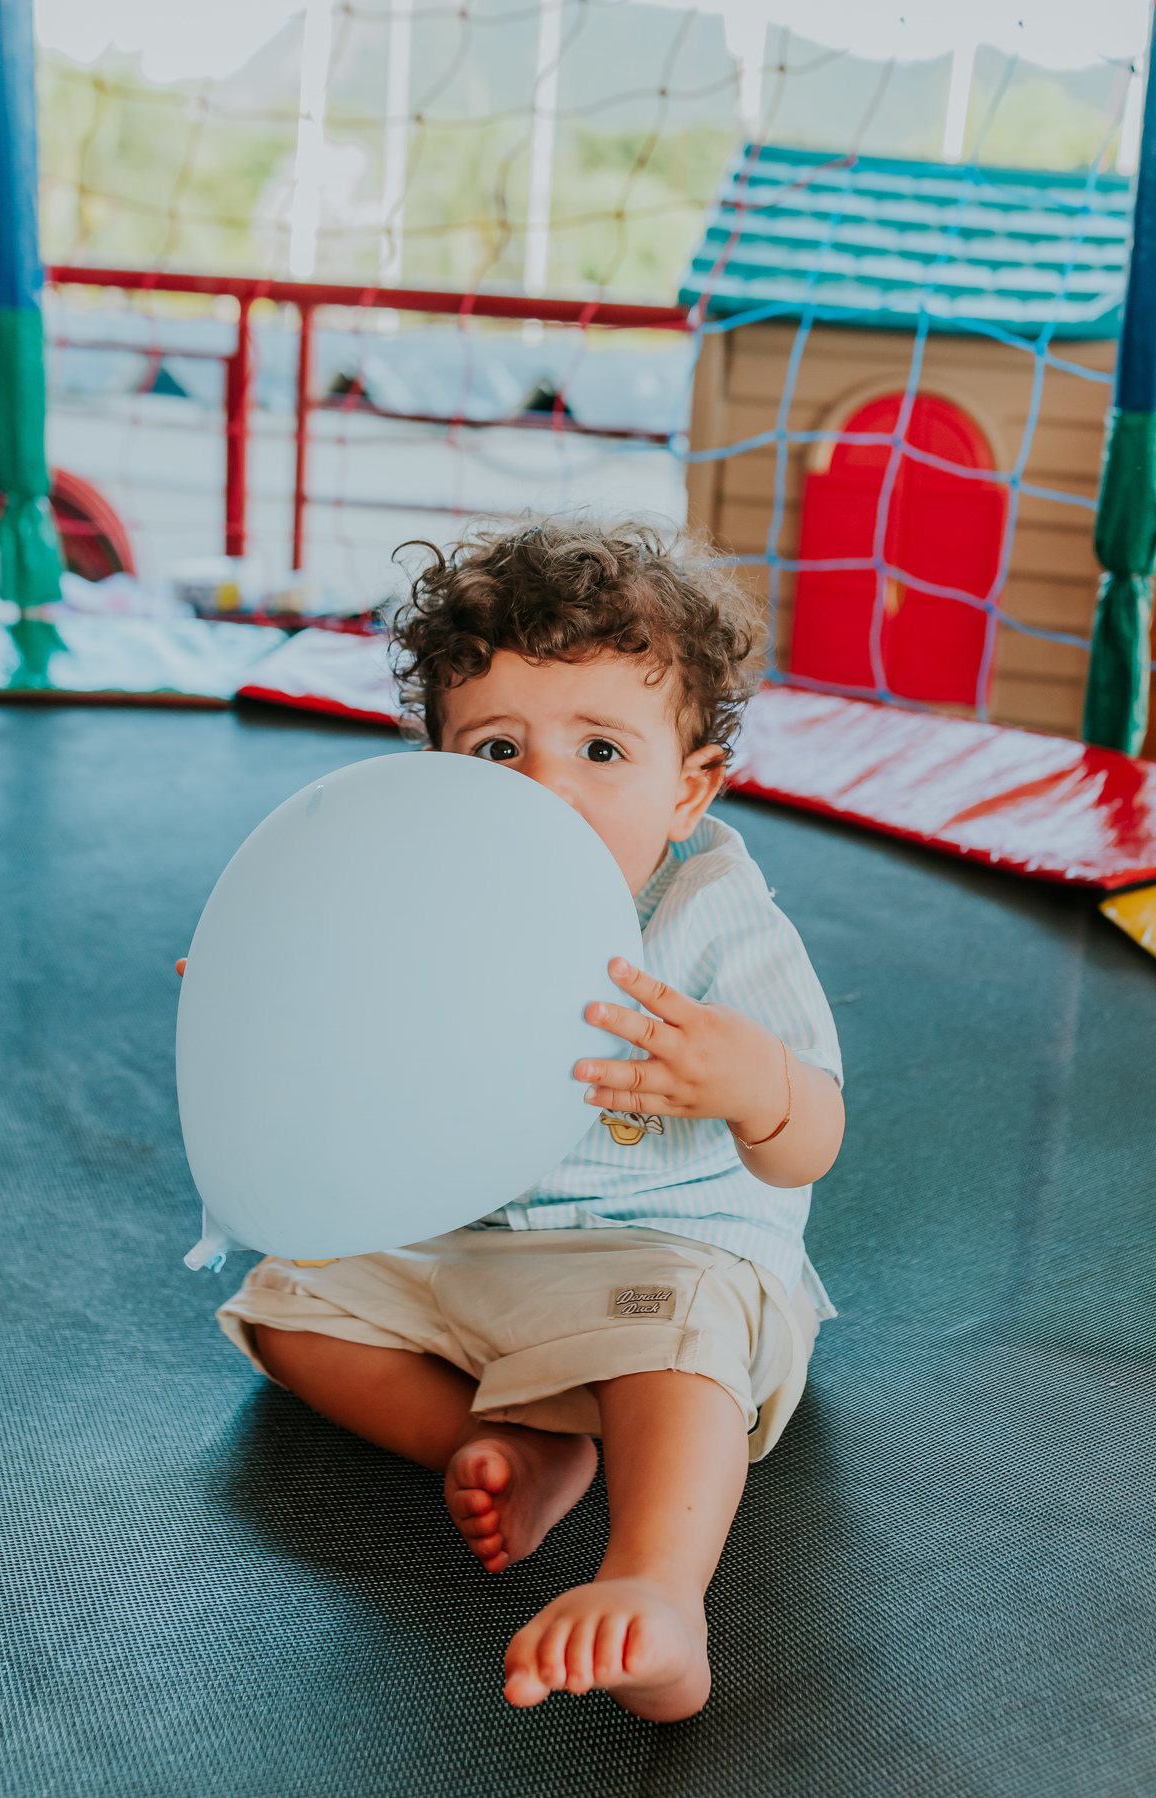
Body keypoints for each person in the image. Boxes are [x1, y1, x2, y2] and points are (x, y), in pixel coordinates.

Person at [209, 519, 845, 1722]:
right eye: (498, 748)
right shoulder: (436, 894)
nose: (546, 785)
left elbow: (812, 1137)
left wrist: (754, 1082)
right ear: (439, 768)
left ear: (688, 787)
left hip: (667, 1258)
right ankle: (502, 1441)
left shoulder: (713, 910)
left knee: (682, 1344)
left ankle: (660, 1589)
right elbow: (361, 1052)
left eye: (602, 747)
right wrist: (266, 998)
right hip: (476, 1246)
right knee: (289, 1304)